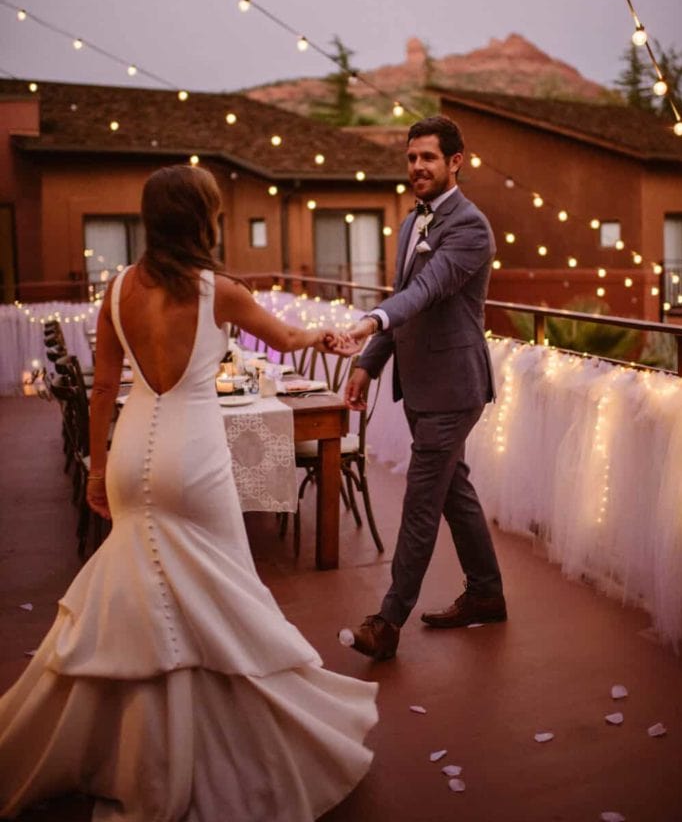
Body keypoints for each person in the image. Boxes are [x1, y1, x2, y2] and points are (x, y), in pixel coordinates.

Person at [0, 164, 377, 821]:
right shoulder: (217, 291)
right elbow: (288, 338)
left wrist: (94, 470)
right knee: (222, 593)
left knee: (139, 604)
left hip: (130, 449)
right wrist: (336, 335)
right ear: (201, 220)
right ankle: (207, 746)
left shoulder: (116, 291)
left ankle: (131, 753)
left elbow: (99, 391)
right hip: (194, 458)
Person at [335, 115, 506, 661]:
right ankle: (485, 593)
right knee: (454, 491)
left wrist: (369, 323)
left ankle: (386, 623)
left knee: (420, 503)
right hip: (421, 384)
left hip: (455, 389)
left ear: (456, 161)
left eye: (428, 158)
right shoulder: (411, 224)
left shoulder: (471, 227)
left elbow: (427, 290)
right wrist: (367, 363)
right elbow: (403, 295)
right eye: (411, 158)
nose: (416, 168)